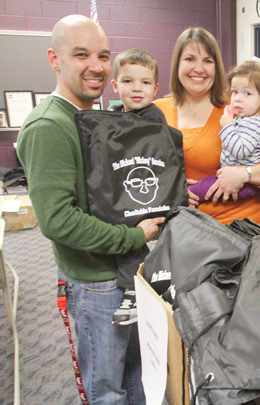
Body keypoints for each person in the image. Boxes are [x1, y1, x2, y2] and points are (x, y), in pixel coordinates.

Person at [16, 15, 164, 404]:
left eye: (103, 55)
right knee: (106, 389)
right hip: (95, 282)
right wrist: (134, 236)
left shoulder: (93, 120)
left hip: (121, 273)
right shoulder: (49, 125)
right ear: (54, 59)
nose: (96, 66)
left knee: (135, 377)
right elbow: (57, 220)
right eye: (81, 54)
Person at [154, 27, 260, 224]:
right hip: (184, 226)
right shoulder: (157, 112)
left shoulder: (236, 108)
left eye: (207, 61)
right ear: (177, 64)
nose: (199, 68)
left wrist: (244, 174)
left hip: (241, 223)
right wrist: (170, 191)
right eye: (190, 59)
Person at [109, 48, 168, 326]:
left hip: (151, 190)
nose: (136, 89)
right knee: (121, 227)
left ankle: (134, 288)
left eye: (145, 83)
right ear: (115, 86)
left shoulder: (153, 118)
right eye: (128, 81)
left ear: (155, 88)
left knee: (132, 232)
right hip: (128, 187)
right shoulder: (117, 118)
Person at [188, 58, 260, 201]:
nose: (238, 99)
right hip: (251, 182)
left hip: (244, 184)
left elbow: (241, 151)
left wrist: (228, 126)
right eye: (234, 92)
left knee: (194, 189)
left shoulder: (251, 124)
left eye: (247, 93)